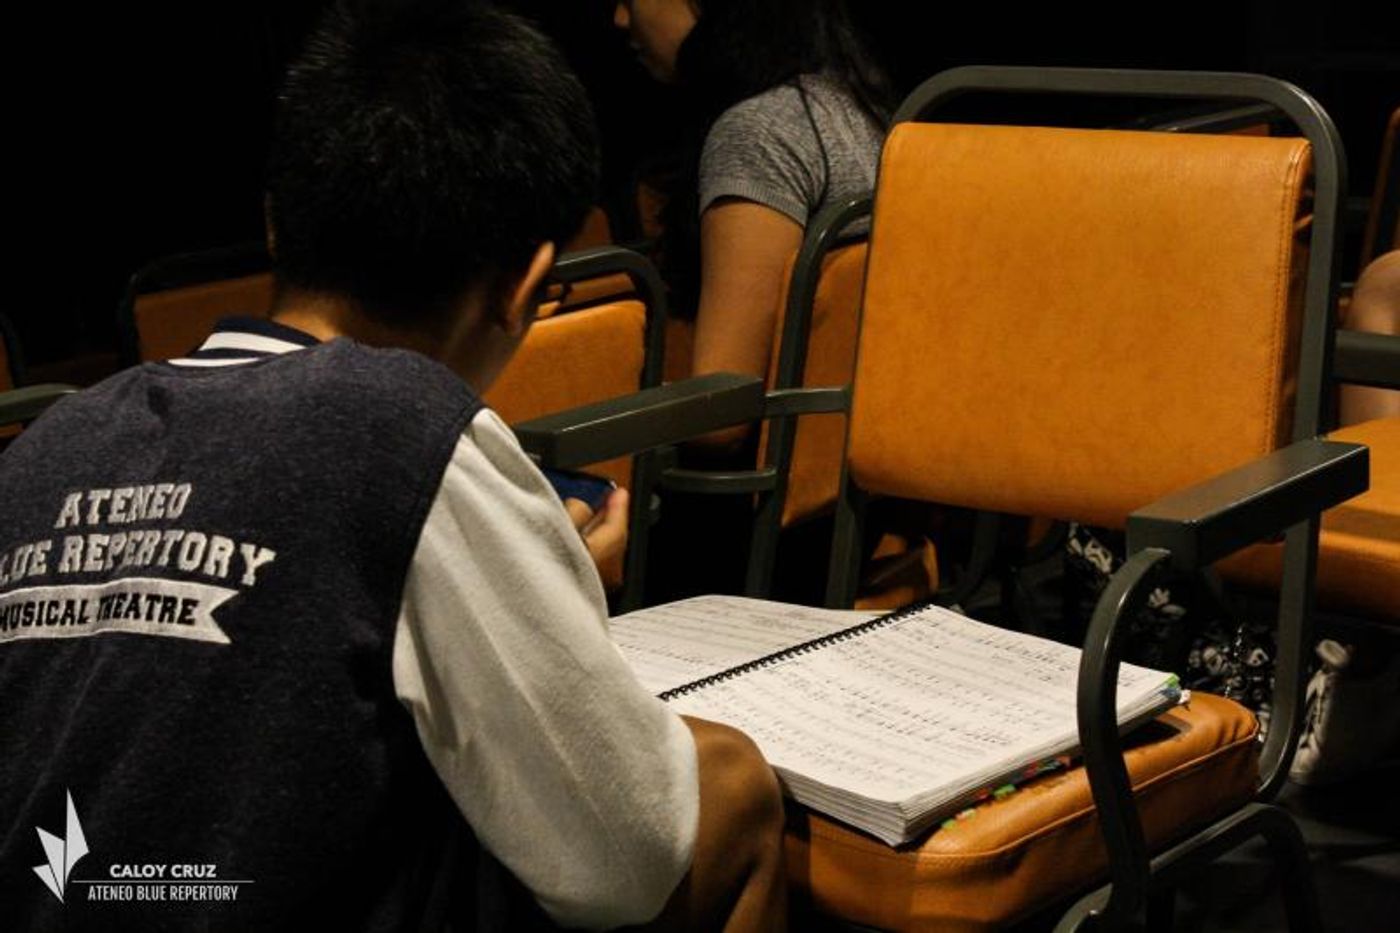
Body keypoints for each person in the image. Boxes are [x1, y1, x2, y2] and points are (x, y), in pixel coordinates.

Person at [0, 3, 785, 930]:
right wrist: (562, 578)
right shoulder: (410, 433)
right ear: (526, 285)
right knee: (729, 784)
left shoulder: (47, 445)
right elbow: (624, 862)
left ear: (276, 226)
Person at [614, 0, 893, 453]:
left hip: (756, 507)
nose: (621, 19)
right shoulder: (854, 105)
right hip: (846, 493)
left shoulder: (759, 134)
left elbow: (722, 416)